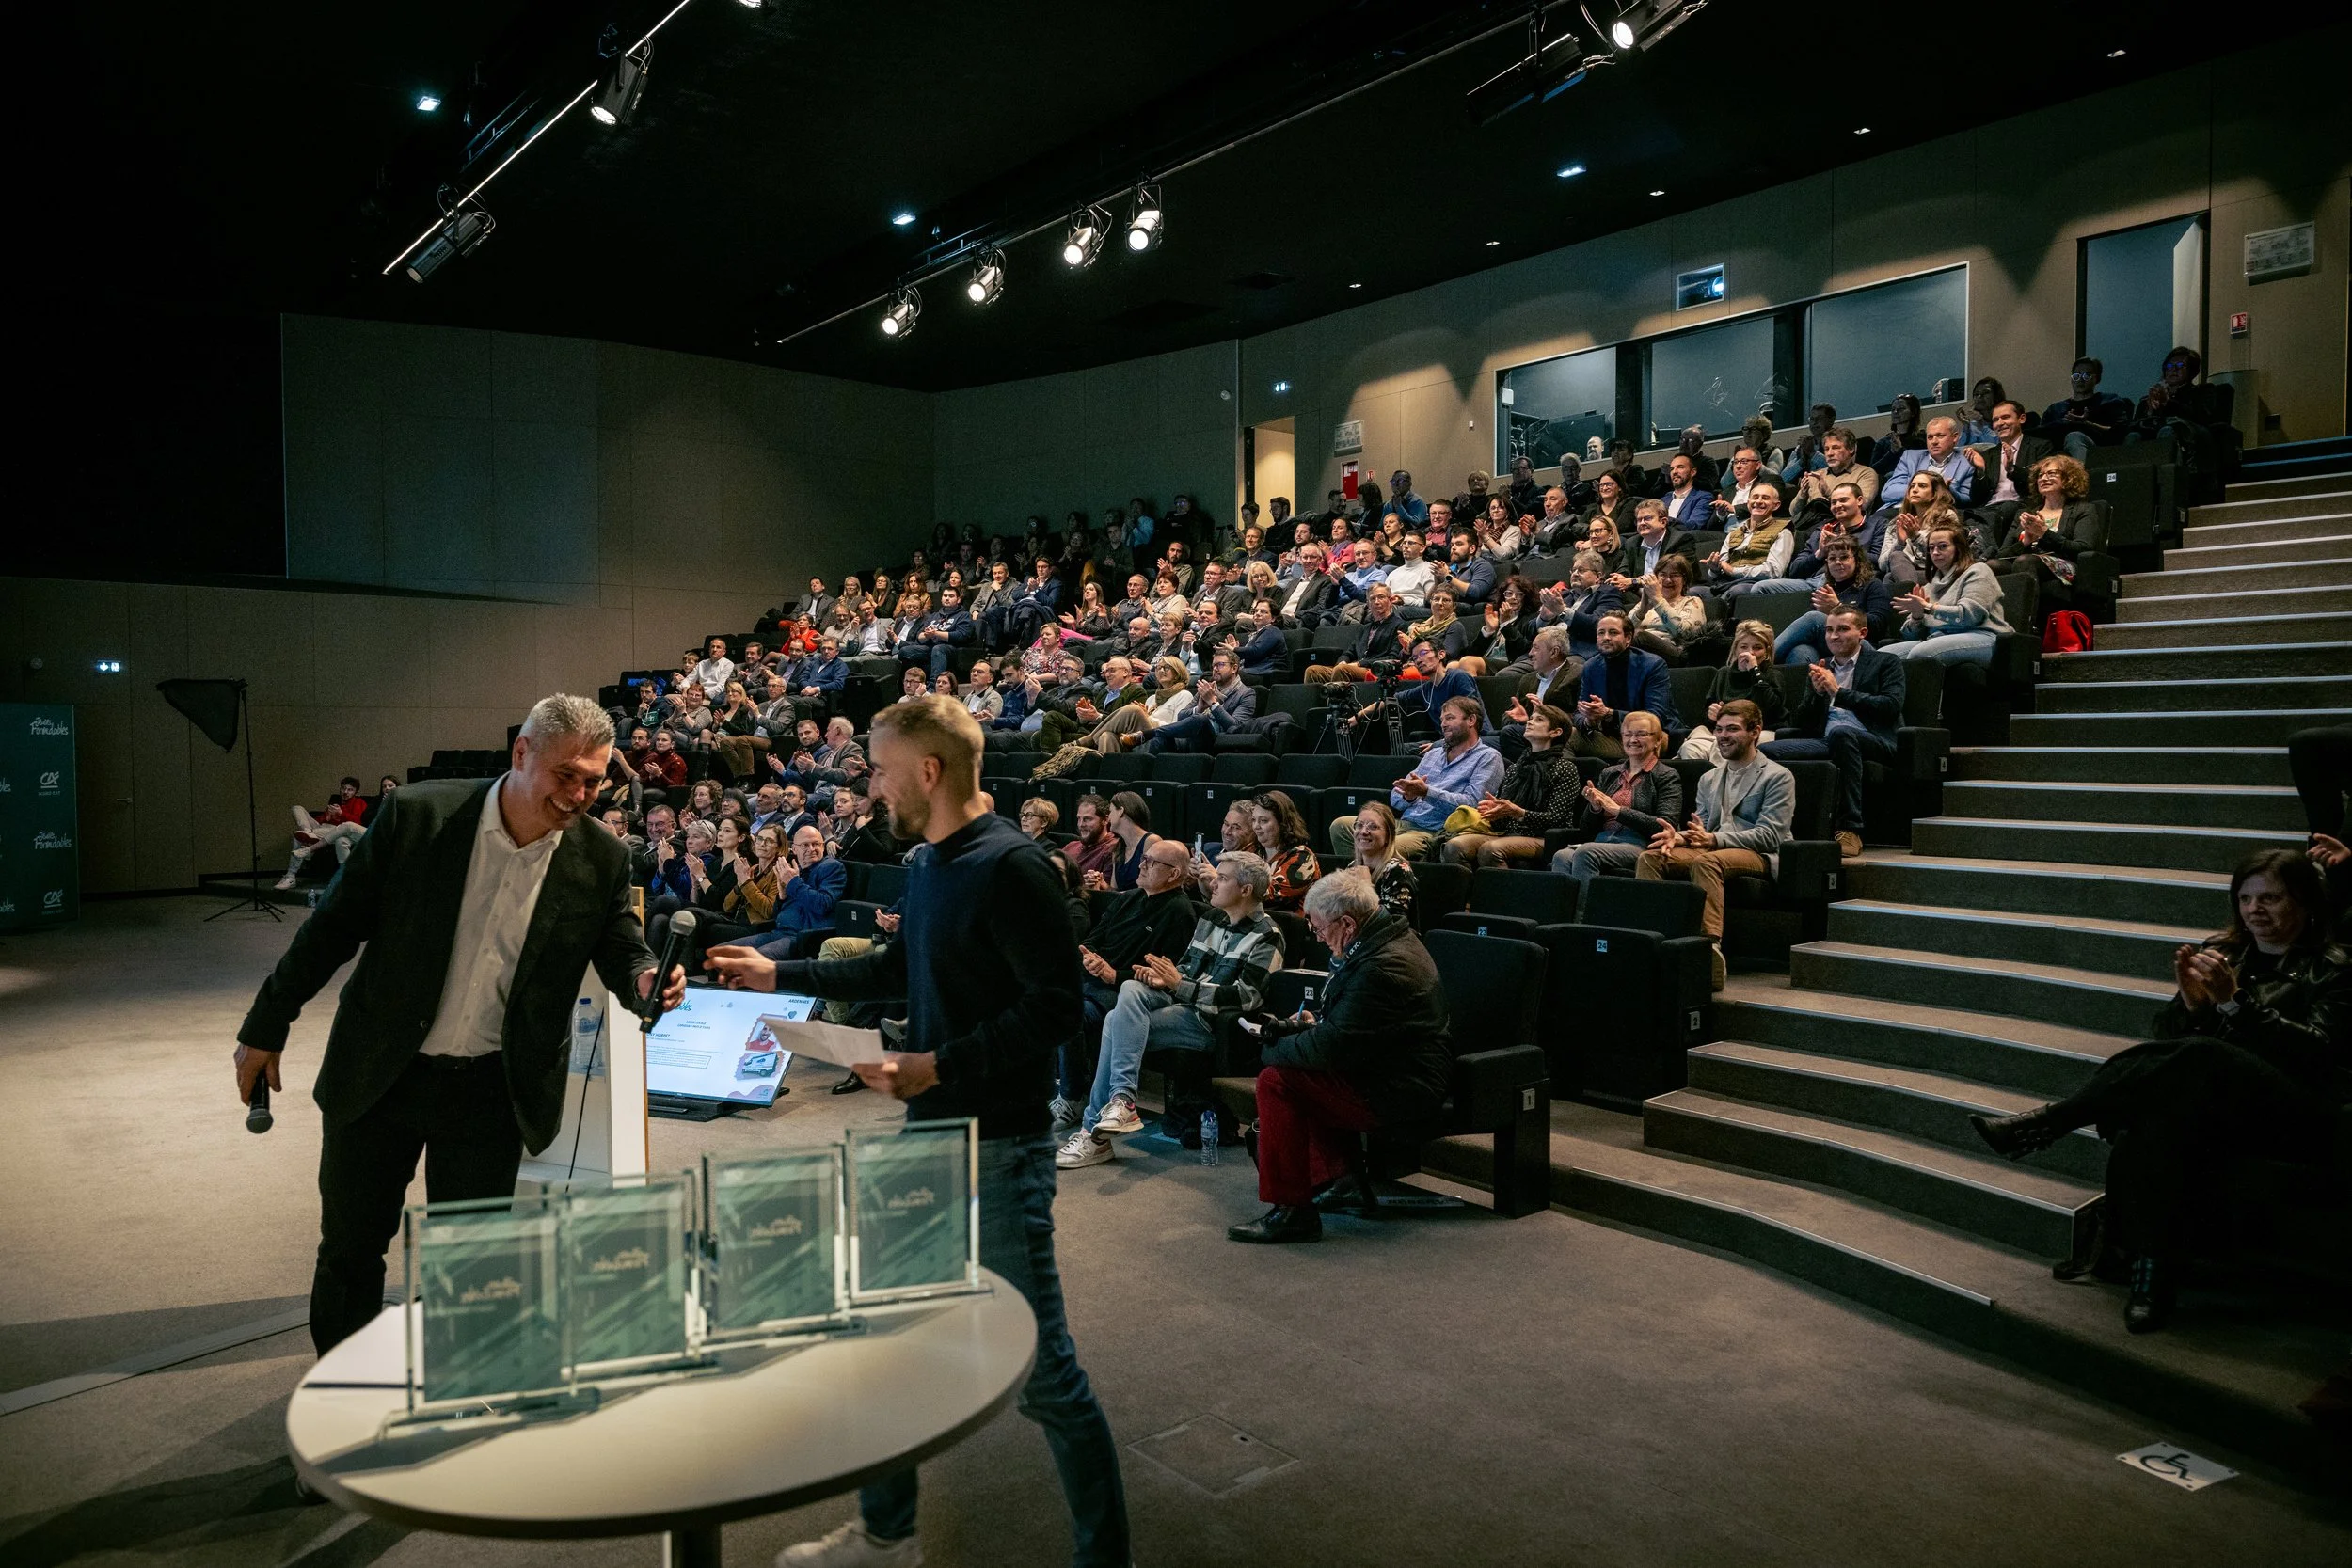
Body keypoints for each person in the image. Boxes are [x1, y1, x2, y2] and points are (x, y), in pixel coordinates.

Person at [704, 697, 1128, 1567]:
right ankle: (886, 1537)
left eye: (881, 769)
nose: (872, 786)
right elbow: (897, 964)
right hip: (928, 1135)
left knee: (1046, 1379)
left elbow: (1056, 1008)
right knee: (880, 1336)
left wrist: (941, 1064)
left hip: (998, 1148)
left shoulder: (1013, 867)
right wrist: (780, 972)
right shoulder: (929, 862)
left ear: (928, 771)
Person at [235, 695, 685, 1356]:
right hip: (382, 1073)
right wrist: (267, 1024)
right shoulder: (419, 816)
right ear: (521, 753)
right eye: (566, 775)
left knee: (469, 1263)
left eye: (593, 782)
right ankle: (344, 1390)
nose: (579, 795)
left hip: (490, 1090)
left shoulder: (602, 858)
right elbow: (331, 929)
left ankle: (455, 1389)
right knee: (351, 1250)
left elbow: (620, 947)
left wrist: (646, 976)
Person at [1969, 849, 2350, 1334]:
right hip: (2219, 1103)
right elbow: (2168, 1045)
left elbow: (2317, 1052)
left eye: (2270, 898)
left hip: (2296, 1110)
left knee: (2201, 1057)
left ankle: (2054, 1120)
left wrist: (2235, 1004)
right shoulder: (2226, 954)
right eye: (2245, 898)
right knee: (2156, 1122)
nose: (2254, 910)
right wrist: (2192, 1006)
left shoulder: (2336, 968)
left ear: (2304, 902)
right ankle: (2151, 1277)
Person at [1230, 869, 1454, 1243]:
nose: (1316, 936)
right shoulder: (1384, 941)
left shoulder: (1382, 966)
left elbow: (1330, 1050)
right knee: (1295, 1071)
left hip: (1403, 1087)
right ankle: (1344, 1181)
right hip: (1389, 1069)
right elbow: (1354, 1029)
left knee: (1277, 1080)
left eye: (1319, 928)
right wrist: (1312, 1026)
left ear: (1347, 924)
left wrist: (1271, 1049)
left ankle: (1293, 1210)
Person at [1058, 850, 1279, 1168]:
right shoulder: (1211, 919)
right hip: (1180, 1004)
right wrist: (1161, 978)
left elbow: (1247, 998)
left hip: (1209, 1022)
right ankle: (1120, 1104)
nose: (1213, 883)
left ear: (1245, 890)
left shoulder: (1268, 935)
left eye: (1223, 878)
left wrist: (1178, 984)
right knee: (1131, 988)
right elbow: (1186, 969)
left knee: (1113, 1022)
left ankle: (1098, 1127)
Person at [1635, 701, 1795, 990]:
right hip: (1714, 847)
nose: (1722, 736)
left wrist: (1713, 840)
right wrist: (1680, 837)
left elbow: (1770, 835)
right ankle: (1653, 938)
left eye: (1732, 729)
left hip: (1759, 853)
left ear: (1755, 732)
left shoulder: (1778, 776)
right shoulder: (1709, 777)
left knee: (1706, 861)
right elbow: (1704, 825)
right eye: (1719, 729)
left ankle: (1708, 949)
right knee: (1652, 856)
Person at [1056, 837, 1201, 1135]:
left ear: (1174, 874)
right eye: (1143, 858)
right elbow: (1093, 939)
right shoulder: (1128, 898)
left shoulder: (1179, 912)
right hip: (1093, 982)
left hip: (1123, 995)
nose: (1142, 865)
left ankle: (1073, 1097)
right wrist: (1089, 958)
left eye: (1151, 862)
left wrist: (1114, 975)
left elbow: (1163, 974)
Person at [1761, 607, 1905, 860]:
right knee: (1764, 751)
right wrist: (1817, 694)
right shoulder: (1823, 667)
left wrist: (1838, 693)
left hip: (1875, 741)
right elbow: (1802, 723)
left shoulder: (1886, 662)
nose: (1834, 636)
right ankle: (1769, 828)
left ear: (1862, 633)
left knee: (1842, 733)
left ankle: (1850, 829)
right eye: (1829, 630)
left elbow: (1890, 707)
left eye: (1842, 629)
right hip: (1828, 740)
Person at [1329, 696, 1505, 861]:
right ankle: (1362, 875)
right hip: (1405, 822)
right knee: (1340, 826)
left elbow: (1473, 804)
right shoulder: (1433, 754)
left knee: (1380, 847)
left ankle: (1369, 876)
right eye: (1442, 719)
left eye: (1450, 718)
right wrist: (1409, 796)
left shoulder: (1488, 757)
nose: (1443, 724)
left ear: (1471, 720)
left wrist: (1427, 792)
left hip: (1434, 831)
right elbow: (1396, 798)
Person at [1438, 703, 1582, 868]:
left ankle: (1504, 886)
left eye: (1539, 719)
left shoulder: (1565, 768)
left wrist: (1518, 812)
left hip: (1544, 837)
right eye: (1531, 718)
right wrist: (1495, 812)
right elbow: (1502, 820)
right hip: (1508, 833)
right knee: (1455, 846)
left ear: (1555, 732)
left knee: (1491, 849)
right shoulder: (1516, 768)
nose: (1530, 722)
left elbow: (1556, 819)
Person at [1554, 710, 1681, 888]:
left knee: (1586, 852)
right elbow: (1586, 829)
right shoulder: (1610, 773)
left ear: (1658, 740)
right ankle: (1563, 907)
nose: (1633, 739)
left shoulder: (1666, 775)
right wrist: (1595, 809)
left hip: (1641, 843)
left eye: (1641, 734)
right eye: (1628, 734)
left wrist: (1618, 811)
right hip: (1603, 840)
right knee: (1561, 856)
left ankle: (1587, 907)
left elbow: (1665, 825)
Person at [1886, 521, 2012, 667]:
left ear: (1958, 549)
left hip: (1983, 636)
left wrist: (1929, 608)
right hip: (1938, 639)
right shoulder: (1928, 587)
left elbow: (1970, 616)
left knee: (1920, 654)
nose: (1935, 552)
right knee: (1882, 657)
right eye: (1931, 548)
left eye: (1942, 546)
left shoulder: (1978, 571)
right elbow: (1910, 636)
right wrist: (1917, 616)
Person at [1991, 453, 2105, 612]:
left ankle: (2025, 620)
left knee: (2025, 561)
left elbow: (2083, 549)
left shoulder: (2083, 510)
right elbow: (2002, 554)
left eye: (2051, 473)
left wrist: (2045, 533)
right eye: (2040, 475)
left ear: (2068, 478)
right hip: (2026, 560)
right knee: (1992, 565)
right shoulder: (2025, 514)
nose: (2044, 478)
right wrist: (2026, 542)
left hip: (2063, 564)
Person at [1567, 611, 1676, 761]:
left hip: (1649, 736)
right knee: (1559, 734)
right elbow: (1579, 712)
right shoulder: (1591, 666)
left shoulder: (1652, 665)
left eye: (1613, 633)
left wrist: (1609, 714)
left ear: (1628, 638)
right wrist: (1589, 720)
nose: (1606, 637)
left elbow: (1655, 716)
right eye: (1601, 633)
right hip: (1611, 736)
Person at [1678, 622, 1785, 762]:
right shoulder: (1723, 674)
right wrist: (1712, 716)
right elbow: (1706, 717)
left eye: (1757, 648)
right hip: (1720, 732)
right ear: (1735, 649)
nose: (1750, 652)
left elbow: (1770, 710)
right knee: (1690, 748)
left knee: (1726, 745)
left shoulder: (1773, 675)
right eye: (1744, 647)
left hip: (1759, 732)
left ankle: (1725, 776)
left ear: (1766, 652)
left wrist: (1754, 671)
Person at [1144, 648, 1260, 752]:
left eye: (1220, 665)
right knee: (1160, 740)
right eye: (1213, 665)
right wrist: (1199, 708)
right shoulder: (1206, 688)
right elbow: (1181, 716)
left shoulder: (1246, 694)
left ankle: (1151, 733)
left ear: (1234, 668)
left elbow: (1236, 727)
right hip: (1193, 739)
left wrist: (1213, 704)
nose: (1215, 669)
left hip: (1219, 742)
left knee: (1201, 719)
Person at [277, 776, 371, 890]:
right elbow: (320, 820)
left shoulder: (359, 802)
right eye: (343, 788)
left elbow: (357, 823)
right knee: (297, 808)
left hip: (335, 831)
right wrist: (326, 817)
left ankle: (290, 876)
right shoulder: (335, 802)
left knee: (298, 837)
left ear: (356, 792)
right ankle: (308, 833)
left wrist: (341, 813)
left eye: (350, 790)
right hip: (320, 828)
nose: (345, 792)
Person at [2042, 356, 2136, 462]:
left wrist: (2087, 424)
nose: (2080, 380)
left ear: (2097, 379)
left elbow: (2121, 431)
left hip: (2099, 450)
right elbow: (2042, 434)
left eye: (2086, 376)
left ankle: (2079, 472)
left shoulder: (2109, 401)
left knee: (2074, 437)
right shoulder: (2056, 409)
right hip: (2059, 455)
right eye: (2076, 376)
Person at [1346, 800, 1421, 926]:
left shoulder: (1398, 870)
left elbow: (1393, 925)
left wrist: (1366, 887)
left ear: (1388, 836)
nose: (1363, 832)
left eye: (1373, 827)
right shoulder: (1352, 866)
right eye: (1359, 825)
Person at [1249, 789, 1323, 912]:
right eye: (1253, 820)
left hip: (1289, 923)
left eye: (1263, 821)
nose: (1256, 826)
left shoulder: (1302, 857)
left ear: (1283, 824)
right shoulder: (1255, 852)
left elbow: (1269, 896)